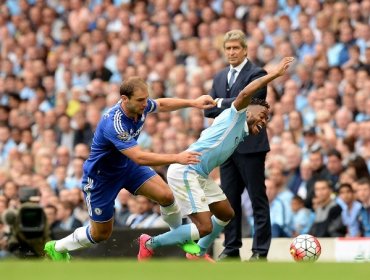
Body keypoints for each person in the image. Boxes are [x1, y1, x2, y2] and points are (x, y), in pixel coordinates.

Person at [137, 57, 294, 262]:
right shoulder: (236, 114)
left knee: (226, 214)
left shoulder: (242, 132)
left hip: (199, 173)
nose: (264, 121)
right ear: (249, 110)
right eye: (263, 115)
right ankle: (150, 243)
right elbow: (245, 93)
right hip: (186, 170)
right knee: (204, 226)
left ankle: (198, 253)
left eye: (267, 119)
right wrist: (273, 74)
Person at [43, 77, 216, 261]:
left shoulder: (139, 106)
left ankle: (179, 237)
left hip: (127, 166)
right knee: (100, 233)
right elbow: (140, 157)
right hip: (102, 178)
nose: (145, 103)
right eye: (140, 100)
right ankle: (57, 247)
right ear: (125, 99)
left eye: (146, 98)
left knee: (166, 196)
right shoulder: (115, 123)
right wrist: (177, 158)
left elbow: (161, 104)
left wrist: (193, 102)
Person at [204, 29, 271, 261]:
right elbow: (208, 109)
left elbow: (251, 102)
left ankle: (260, 252)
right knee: (229, 200)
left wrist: (222, 102)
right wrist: (232, 103)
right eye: (228, 48)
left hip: (251, 146)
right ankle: (232, 249)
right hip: (227, 148)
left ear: (245, 50)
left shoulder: (258, 73)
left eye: (236, 48)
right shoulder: (220, 77)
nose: (232, 52)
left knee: (257, 199)